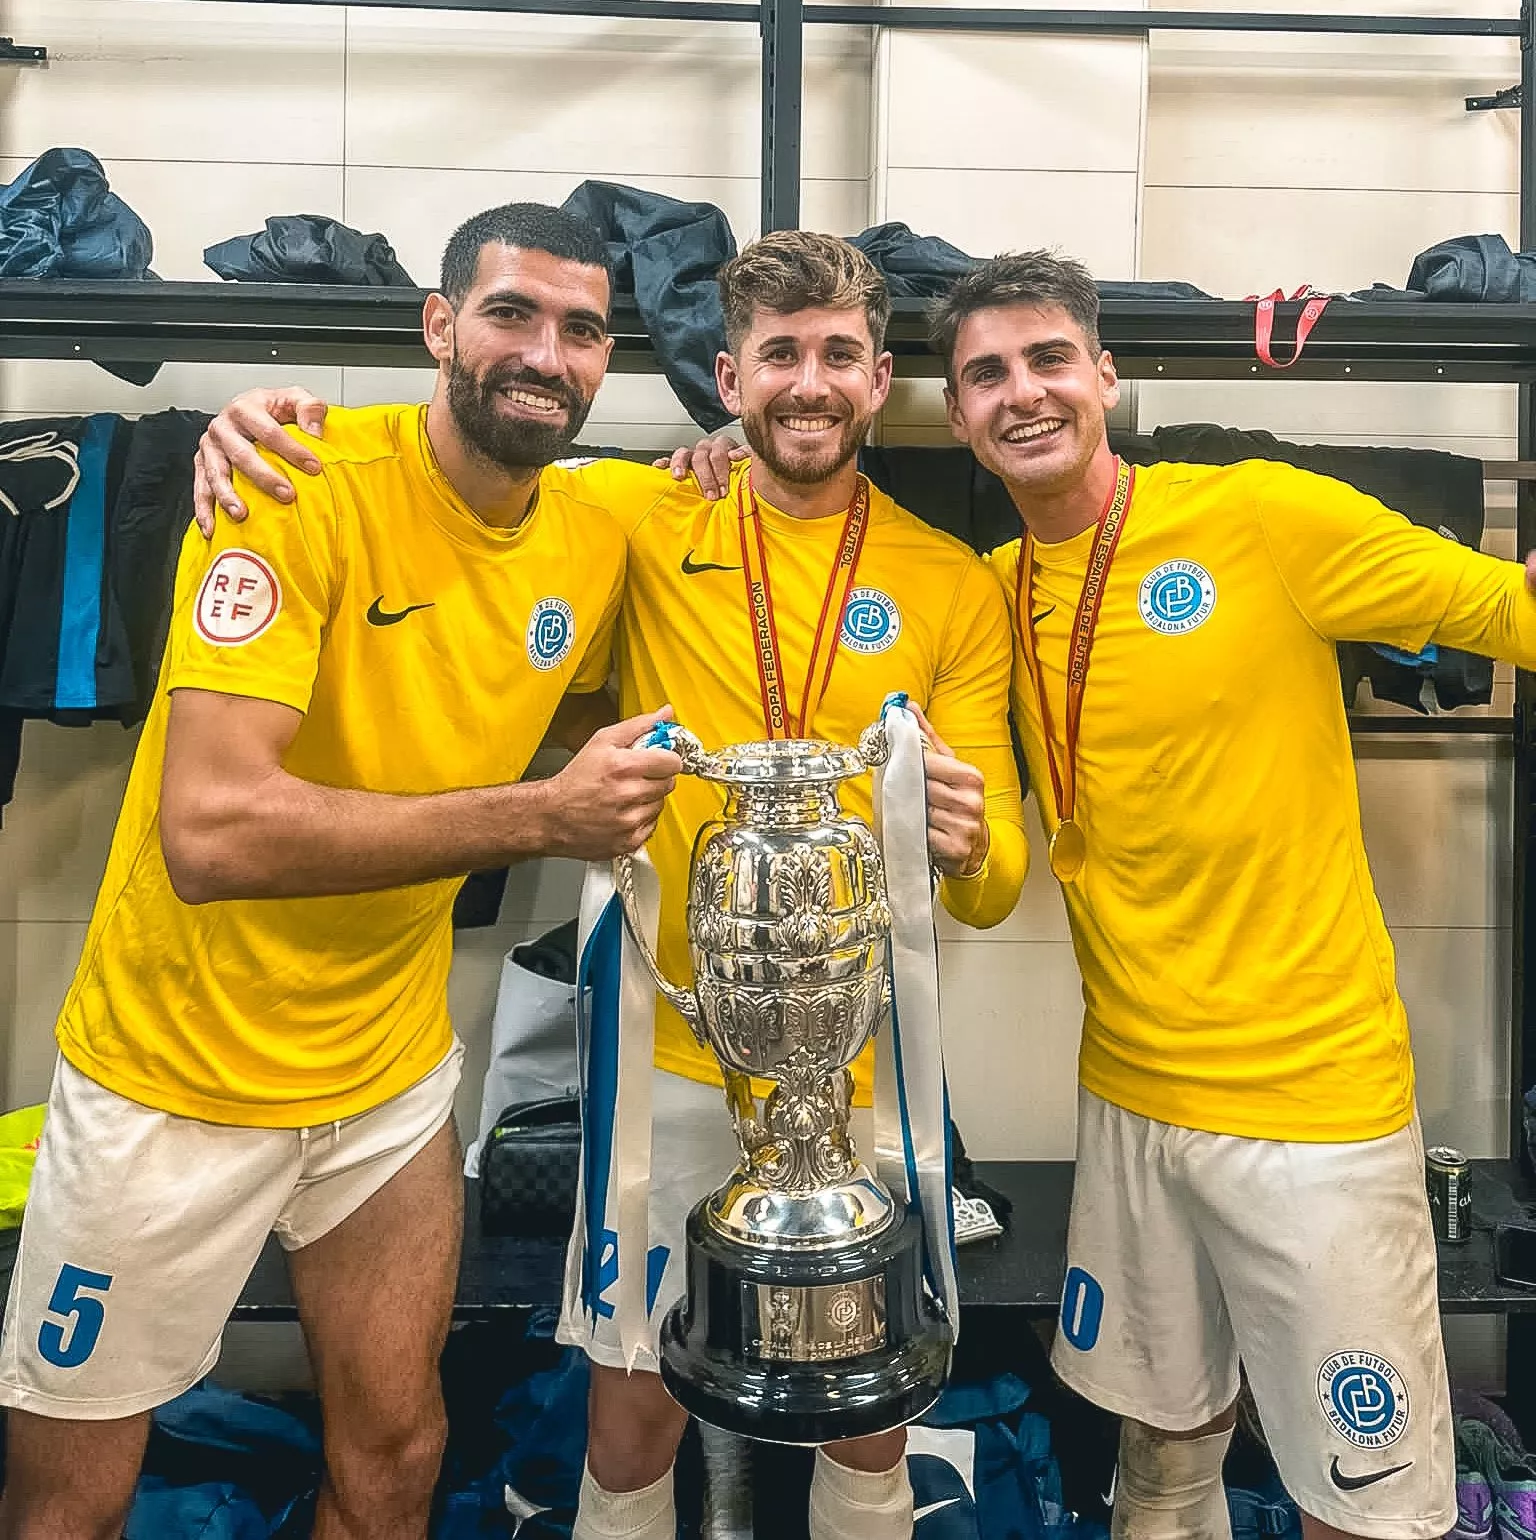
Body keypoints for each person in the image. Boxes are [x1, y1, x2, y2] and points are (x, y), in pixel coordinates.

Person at [190, 228, 1029, 1540]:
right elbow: (452, 483)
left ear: (877, 383)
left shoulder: (953, 584)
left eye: (840, 357)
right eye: (779, 356)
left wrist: (976, 843)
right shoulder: (637, 511)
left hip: (860, 1067)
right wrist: (260, 423)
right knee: (632, 1405)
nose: (809, 383)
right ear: (728, 376)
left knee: (870, 1409)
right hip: (672, 1054)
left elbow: (993, 893)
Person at [0, 202, 687, 1540]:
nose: (547, 354)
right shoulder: (289, 484)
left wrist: (722, 456)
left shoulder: (600, 523)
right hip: (169, 1083)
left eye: (585, 331)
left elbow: (545, 669)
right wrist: (544, 814)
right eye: (510, 314)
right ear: (438, 328)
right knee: (69, 1500)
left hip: (383, 1084)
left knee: (397, 1457)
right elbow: (213, 833)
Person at [931, 248, 1536, 1540]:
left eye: (1048, 360)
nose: (1021, 394)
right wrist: (954, 838)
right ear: (954, 414)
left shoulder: (1263, 516)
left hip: (1308, 1111)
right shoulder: (988, 598)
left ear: (1106, 372)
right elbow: (989, 889)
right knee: (1162, 1453)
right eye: (985, 374)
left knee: (1363, 1503)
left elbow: (1510, 614)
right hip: (1133, 1100)